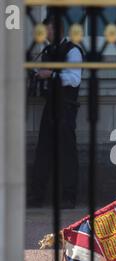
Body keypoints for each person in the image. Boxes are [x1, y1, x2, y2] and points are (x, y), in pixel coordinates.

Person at [27, 16, 83, 209]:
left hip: (66, 106)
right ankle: (37, 196)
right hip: (50, 105)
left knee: (67, 152)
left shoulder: (73, 51)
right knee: (43, 150)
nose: (45, 34)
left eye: (48, 30)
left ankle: (69, 197)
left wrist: (51, 74)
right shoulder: (48, 50)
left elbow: (74, 79)